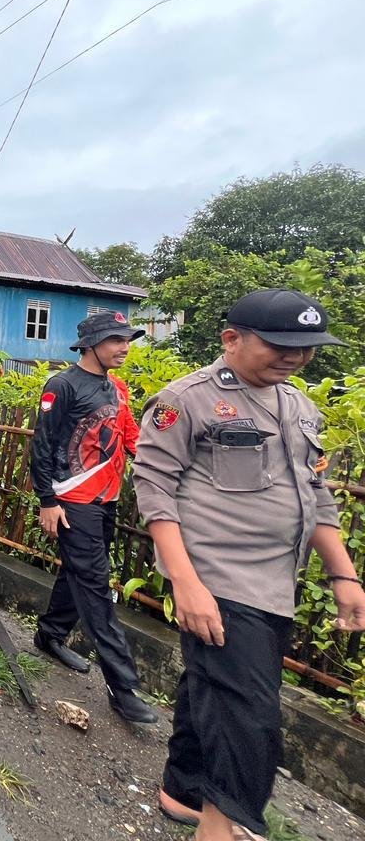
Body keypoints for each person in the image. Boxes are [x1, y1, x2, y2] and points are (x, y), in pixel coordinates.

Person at [133, 289, 365, 840]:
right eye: (280, 345)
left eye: (306, 348)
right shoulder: (185, 400)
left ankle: (182, 790)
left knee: (209, 688)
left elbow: (316, 495)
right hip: (220, 580)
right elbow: (155, 490)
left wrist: (344, 574)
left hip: (276, 579)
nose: (295, 357)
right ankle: (223, 827)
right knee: (250, 716)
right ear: (231, 339)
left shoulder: (300, 407)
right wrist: (186, 584)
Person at [30, 310, 156, 725]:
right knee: (96, 586)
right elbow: (42, 445)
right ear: (90, 344)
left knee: (78, 572)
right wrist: (47, 500)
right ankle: (123, 687)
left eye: (127, 340)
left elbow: (132, 436)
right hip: (72, 500)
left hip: (106, 498)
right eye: (116, 340)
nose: (125, 348)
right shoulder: (62, 385)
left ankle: (50, 635)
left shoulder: (117, 387)